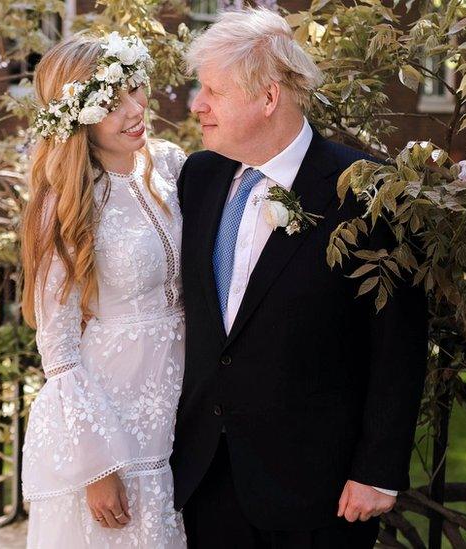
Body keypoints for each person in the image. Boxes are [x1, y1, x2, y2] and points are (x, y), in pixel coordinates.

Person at [171, 9, 430, 548]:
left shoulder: (368, 193)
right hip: (206, 476)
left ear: (268, 98)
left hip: (319, 489)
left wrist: (378, 470)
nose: (198, 104)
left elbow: (398, 343)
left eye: (213, 91)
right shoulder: (198, 177)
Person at [19, 32, 187, 548]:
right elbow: (61, 349)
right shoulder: (66, 203)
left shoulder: (171, 164)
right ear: (80, 119)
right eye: (114, 104)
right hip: (111, 417)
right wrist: (96, 466)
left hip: (181, 401)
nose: (136, 109)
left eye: (136, 90)